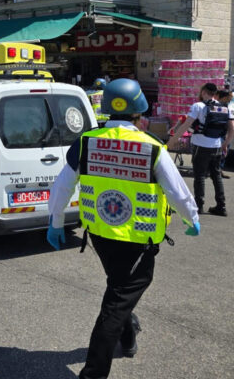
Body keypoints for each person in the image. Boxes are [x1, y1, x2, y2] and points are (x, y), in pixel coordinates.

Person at [46, 78, 200, 379]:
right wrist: (191, 218)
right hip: (138, 241)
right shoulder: (151, 147)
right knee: (116, 304)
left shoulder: (86, 142)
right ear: (140, 115)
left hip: (101, 235)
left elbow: (62, 186)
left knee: (119, 288)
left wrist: (55, 223)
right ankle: (93, 373)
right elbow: (178, 193)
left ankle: (128, 339)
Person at [167, 83, 234, 216]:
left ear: (203, 91)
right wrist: (225, 143)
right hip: (217, 146)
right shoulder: (225, 107)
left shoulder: (198, 106)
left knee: (200, 176)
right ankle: (221, 206)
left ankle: (199, 206)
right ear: (215, 93)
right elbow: (232, 128)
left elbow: (186, 126)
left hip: (201, 146)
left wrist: (171, 142)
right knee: (216, 176)